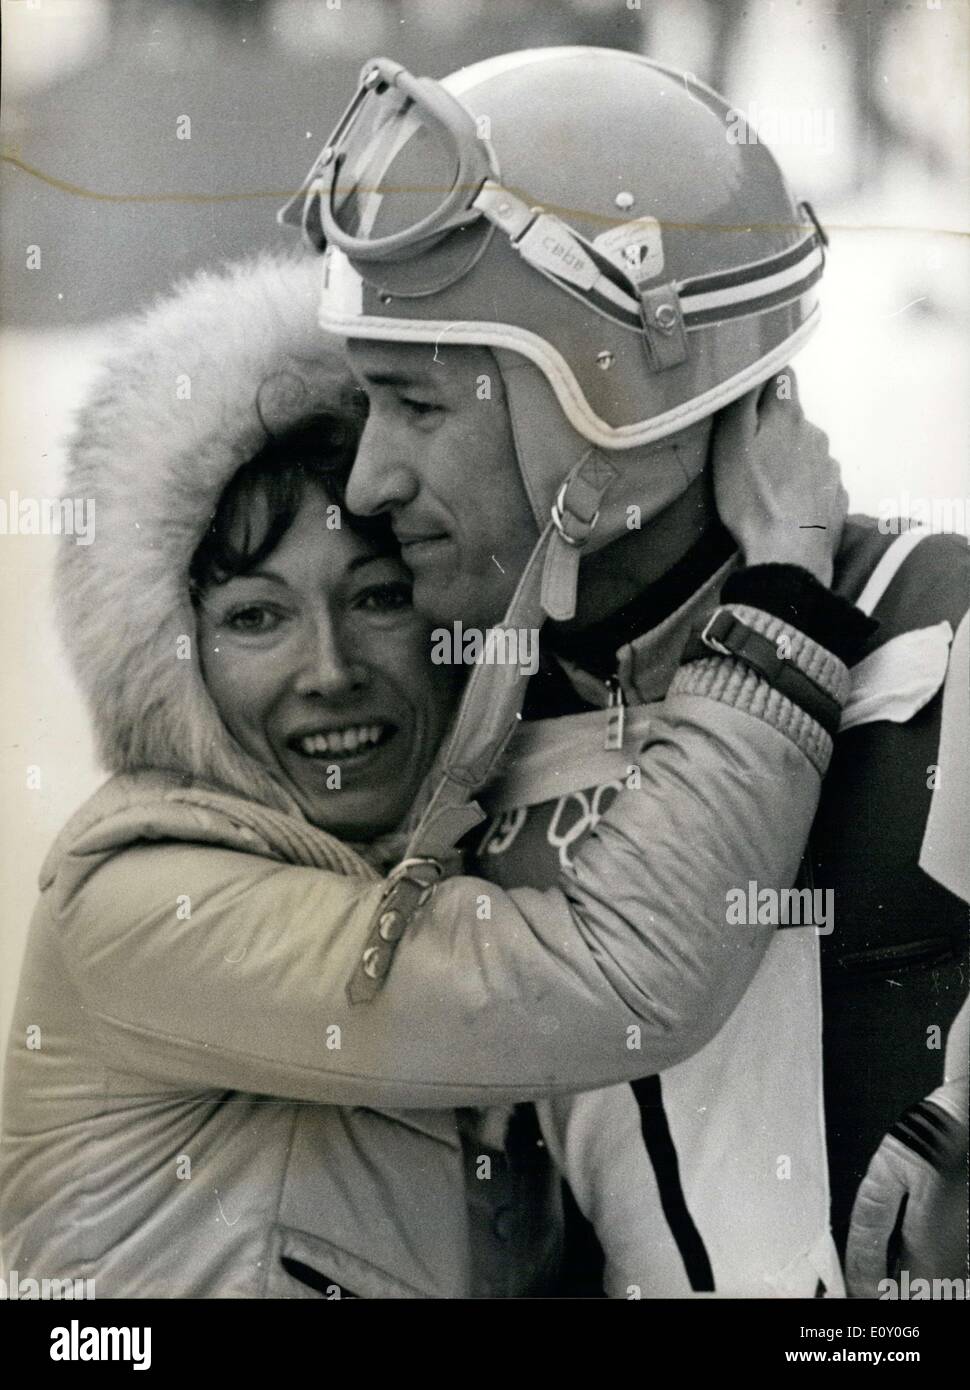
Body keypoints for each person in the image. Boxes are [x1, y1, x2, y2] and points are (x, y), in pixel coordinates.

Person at [0, 252, 855, 1299]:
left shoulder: (453, 862)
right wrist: (778, 602)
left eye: (375, 597)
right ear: (165, 652)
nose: (330, 672)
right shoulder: (143, 904)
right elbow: (618, 981)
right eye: (256, 617)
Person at [283, 46, 968, 1294]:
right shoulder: (415, 737)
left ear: (611, 402)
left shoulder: (943, 644)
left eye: (418, 408)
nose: (370, 483)